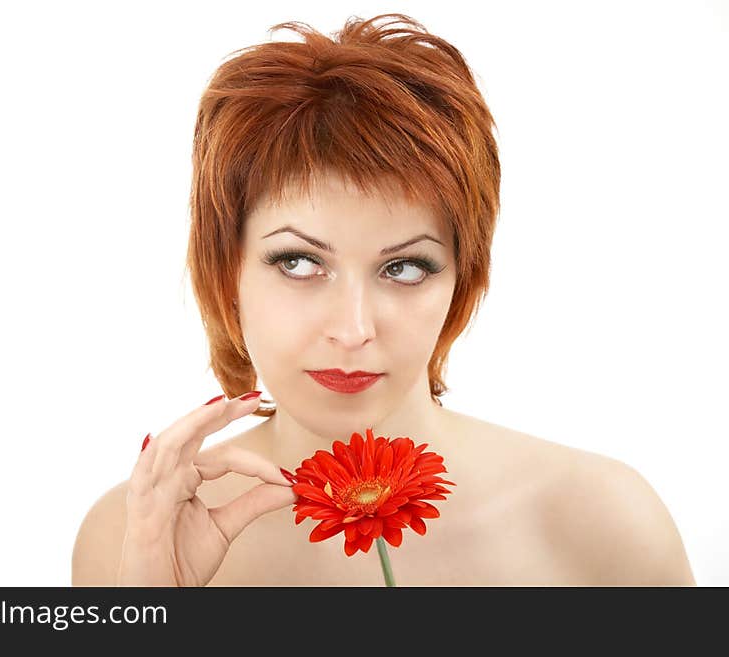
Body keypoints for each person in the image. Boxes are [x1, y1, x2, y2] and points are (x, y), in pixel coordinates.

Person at [71, 13, 696, 586]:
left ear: (462, 279)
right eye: (299, 262)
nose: (352, 329)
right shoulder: (129, 537)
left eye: (403, 267)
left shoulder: (605, 524)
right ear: (224, 270)